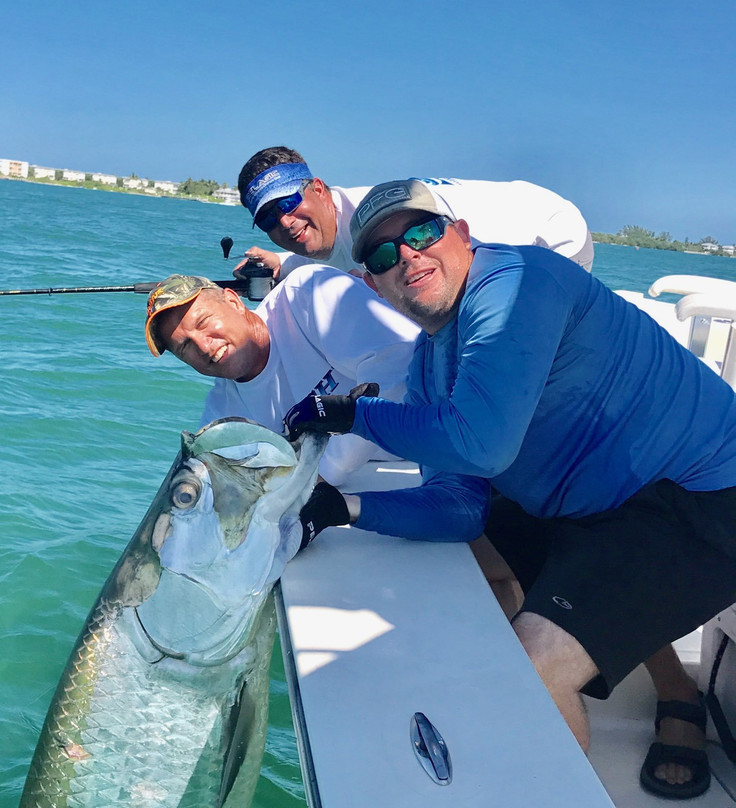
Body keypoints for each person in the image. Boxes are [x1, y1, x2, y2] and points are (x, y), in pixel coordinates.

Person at [282, 178, 736, 799]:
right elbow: (461, 507)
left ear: (462, 234)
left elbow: (480, 444)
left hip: (701, 494)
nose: (408, 256)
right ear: (372, 284)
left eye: (421, 233)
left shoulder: (520, 278)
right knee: (484, 532)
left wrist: (349, 415)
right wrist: (343, 507)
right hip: (601, 504)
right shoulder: (426, 363)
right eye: (385, 256)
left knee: (533, 667)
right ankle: (647, 674)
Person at [143, 267, 419, 486]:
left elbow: (398, 364)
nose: (204, 346)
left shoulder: (307, 294)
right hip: (372, 482)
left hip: (434, 443)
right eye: (185, 347)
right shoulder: (221, 419)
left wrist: (322, 475)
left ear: (233, 301)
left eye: (203, 323)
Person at [235, 145, 594, 279]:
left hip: (550, 235)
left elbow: (460, 261)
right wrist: (281, 263)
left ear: (317, 188)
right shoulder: (329, 229)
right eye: (267, 218)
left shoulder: (374, 219)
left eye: (287, 203)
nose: (284, 221)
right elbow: (323, 256)